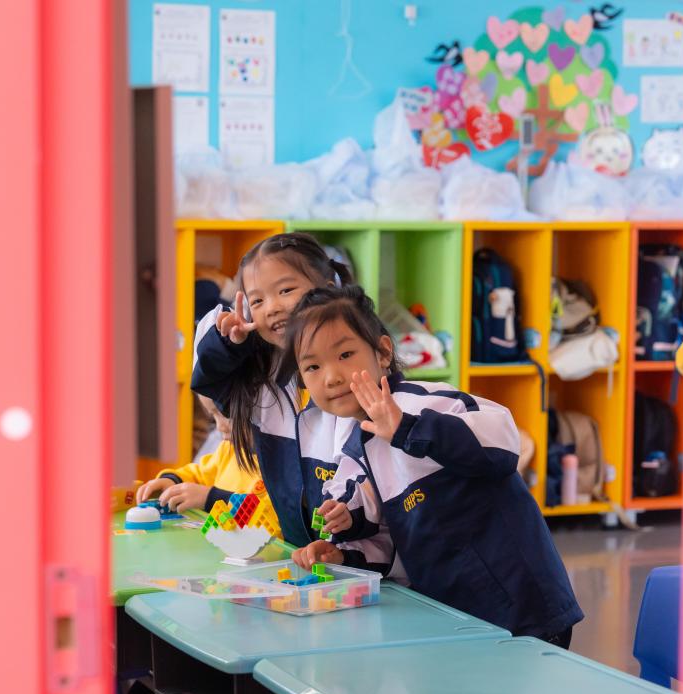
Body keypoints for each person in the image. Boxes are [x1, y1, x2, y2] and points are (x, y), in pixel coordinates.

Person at [283, 286, 583, 645]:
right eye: (312, 366)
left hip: (523, 610)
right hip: (459, 620)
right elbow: (388, 543)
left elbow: (504, 441)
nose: (331, 377)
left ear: (383, 352)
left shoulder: (424, 403)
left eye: (345, 354)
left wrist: (407, 429)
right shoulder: (353, 450)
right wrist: (342, 553)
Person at [191, 232, 352, 547]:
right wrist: (230, 345)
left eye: (286, 290)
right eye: (257, 301)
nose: (273, 307)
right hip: (298, 551)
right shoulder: (262, 381)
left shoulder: (351, 366)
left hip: (357, 553)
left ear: (328, 291)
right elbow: (208, 381)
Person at [135, 397, 278, 532]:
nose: (220, 427)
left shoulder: (279, 464)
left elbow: (271, 520)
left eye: (225, 414)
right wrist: (173, 480)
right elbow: (198, 475)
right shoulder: (228, 450)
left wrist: (211, 499)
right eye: (212, 416)